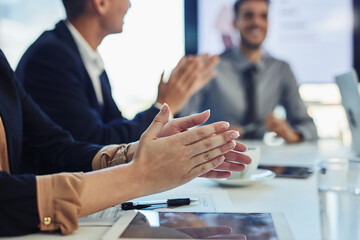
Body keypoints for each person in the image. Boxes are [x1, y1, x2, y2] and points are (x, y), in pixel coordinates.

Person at [0, 50, 251, 236]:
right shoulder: (51, 57)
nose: (130, 4)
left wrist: (132, 153)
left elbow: (54, 147)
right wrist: (141, 175)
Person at [15, 0, 219, 145]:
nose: (129, 5)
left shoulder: (85, 56)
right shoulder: (51, 57)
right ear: (101, 3)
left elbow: (116, 126)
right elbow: (96, 143)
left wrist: (171, 105)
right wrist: (164, 106)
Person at [179, 0, 318, 143]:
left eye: (263, 16)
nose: (256, 22)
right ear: (234, 22)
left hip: (266, 158)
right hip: (216, 156)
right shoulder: (212, 67)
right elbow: (178, 118)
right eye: (248, 16)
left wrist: (293, 134)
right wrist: (209, 133)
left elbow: (308, 126)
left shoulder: (281, 69)